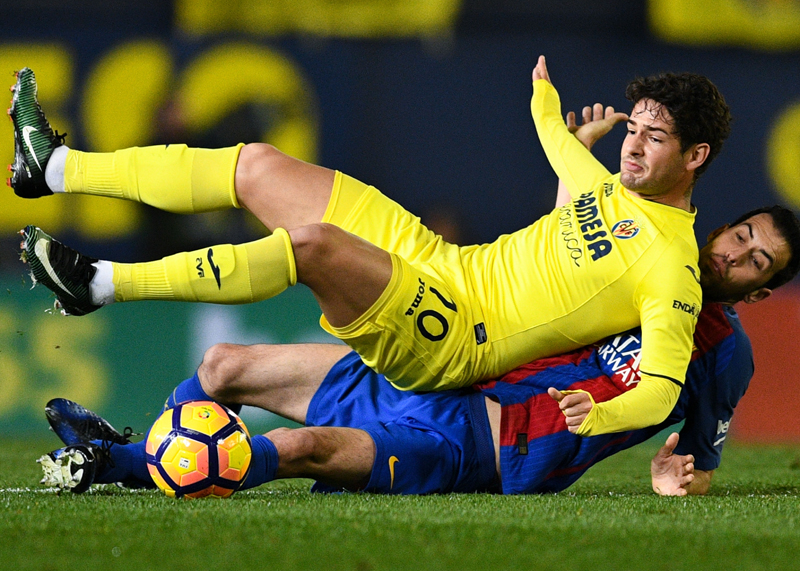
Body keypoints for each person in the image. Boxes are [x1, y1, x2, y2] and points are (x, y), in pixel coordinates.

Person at [11, 56, 736, 437]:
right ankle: (54, 169)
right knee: (258, 165)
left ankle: (100, 284)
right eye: (634, 130)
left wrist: (599, 412)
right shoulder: (606, 186)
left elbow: (663, 387)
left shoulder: (670, 265)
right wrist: (545, 97)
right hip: (439, 263)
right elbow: (554, 140)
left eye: (655, 138)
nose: (633, 148)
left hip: (454, 338)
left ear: (696, 155)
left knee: (313, 246)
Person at [38, 203, 800, 496]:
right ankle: (124, 457)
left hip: (483, 446)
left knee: (301, 445)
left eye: (756, 261)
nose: (734, 256)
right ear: (718, 229)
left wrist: (677, 476)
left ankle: (114, 466)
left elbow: (700, 459)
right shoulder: (640, 267)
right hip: (444, 379)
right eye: (739, 236)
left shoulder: (720, 352)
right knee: (222, 368)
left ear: (762, 290)